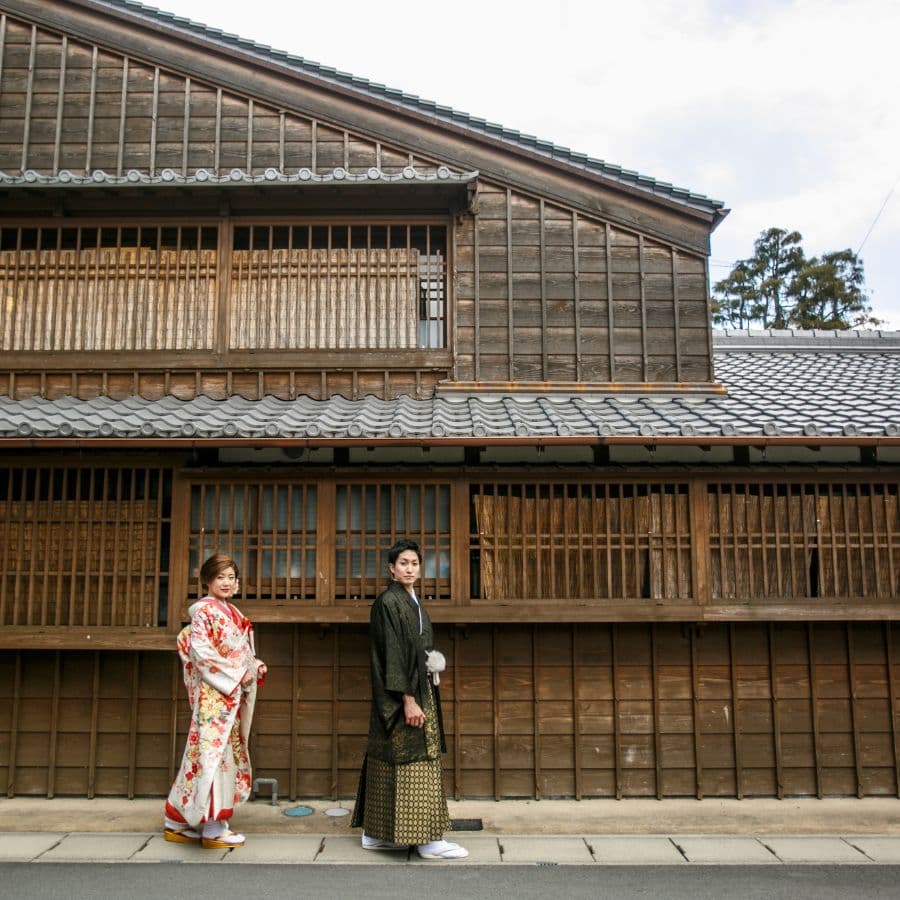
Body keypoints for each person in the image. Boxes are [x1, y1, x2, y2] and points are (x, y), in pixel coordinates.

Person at [351, 538, 468, 860]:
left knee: (389, 759)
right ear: (391, 568)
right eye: (403, 563)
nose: (409, 568)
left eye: (414, 563)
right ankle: (428, 841)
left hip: (415, 688)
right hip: (403, 694)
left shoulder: (412, 601)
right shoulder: (388, 603)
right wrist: (407, 699)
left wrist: (433, 659)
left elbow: (417, 646)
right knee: (416, 760)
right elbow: (391, 653)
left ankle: (376, 835)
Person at [163, 553, 267, 849]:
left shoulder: (230, 611)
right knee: (213, 757)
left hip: (228, 694)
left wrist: (253, 665)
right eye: (220, 576)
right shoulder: (204, 612)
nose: (226, 582)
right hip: (216, 696)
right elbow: (202, 654)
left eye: (231, 577)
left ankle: (178, 819)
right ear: (207, 580)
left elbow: (240, 653)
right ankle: (213, 828)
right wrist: (238, 674)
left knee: (205, 756)